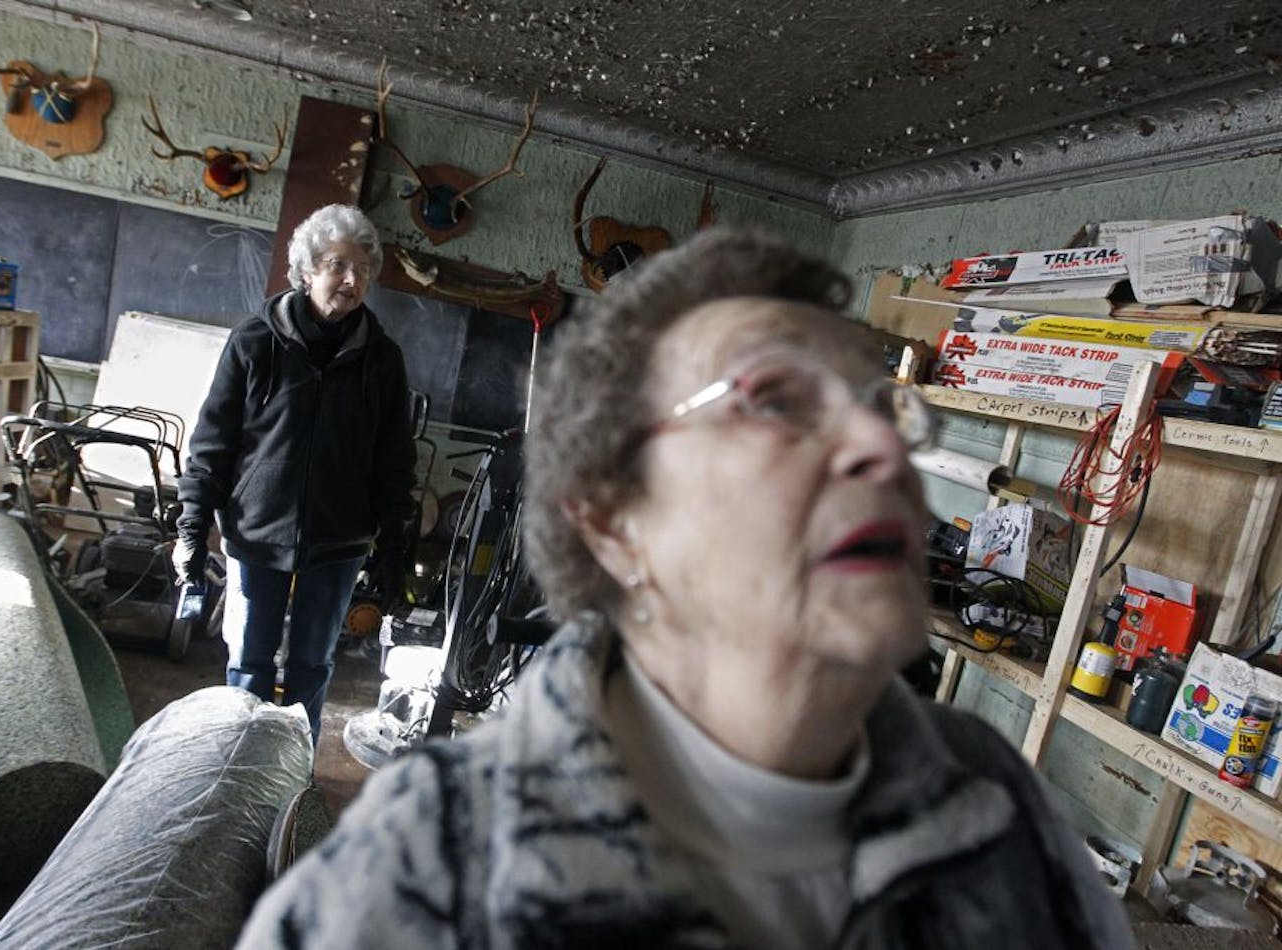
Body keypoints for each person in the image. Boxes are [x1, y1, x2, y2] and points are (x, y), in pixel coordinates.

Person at [236, 230, 1132, 948]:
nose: (875, 449)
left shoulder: (991, 798)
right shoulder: (421, 876)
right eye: (779, 402)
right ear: (617, 519)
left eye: (878, 404)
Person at [173, 203, 415, 749]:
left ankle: (289, 772)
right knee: (249, 664)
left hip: (339, 539)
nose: (351, 280)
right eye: (337, 265)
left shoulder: (382, 360)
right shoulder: (254, 341)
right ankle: (237, 769)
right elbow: (213, 442)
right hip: (256, 532)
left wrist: (394, 547)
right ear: (308, 271)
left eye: (362, 270)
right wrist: (191, 528)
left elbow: (394, 461)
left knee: (311, 663)